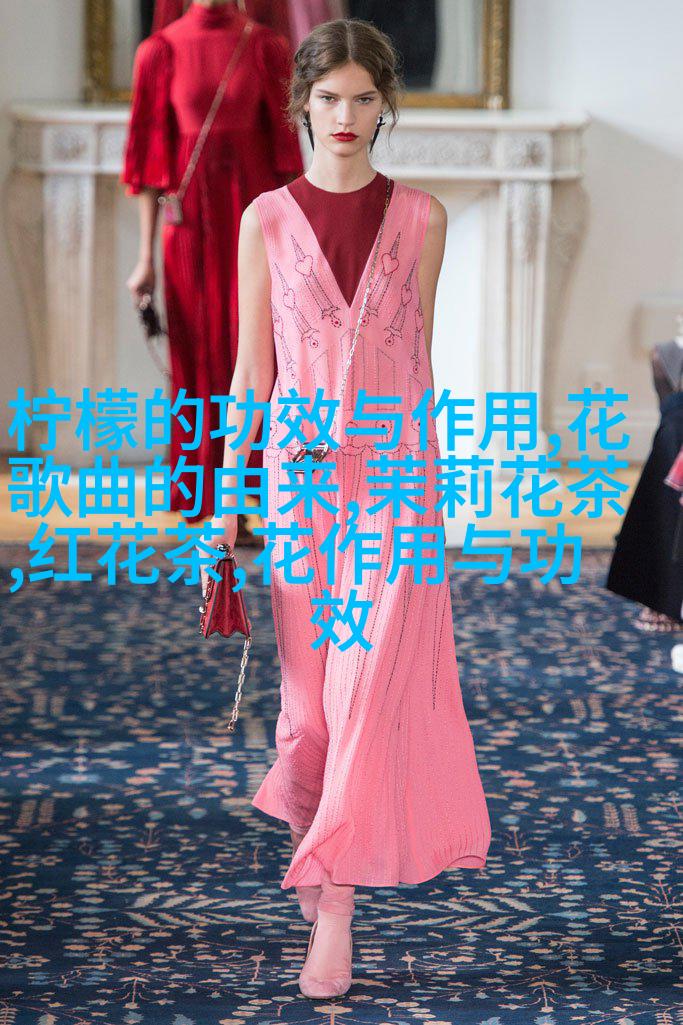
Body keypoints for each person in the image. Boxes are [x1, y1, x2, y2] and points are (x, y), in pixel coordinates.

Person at [203, 17, 492, 999]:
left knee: (366, 692)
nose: (345, 115)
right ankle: (312, 834)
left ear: (384, 107)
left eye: (364, 99)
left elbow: (415, 361)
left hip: (396, 483)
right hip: (297, 486)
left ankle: (335, 901)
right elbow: (250, 373)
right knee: (308, 711)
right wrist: (224, 500)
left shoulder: (423, 219)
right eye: (329, 97)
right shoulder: (265, 219)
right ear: (303, 103)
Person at [122, 0, 303, 523]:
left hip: (254, 222)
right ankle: (206, 499)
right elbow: (147, 164)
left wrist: (295, 247)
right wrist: (144, 258)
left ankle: (257, 495)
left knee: (256, 352)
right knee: (196, 356)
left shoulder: (267, 47)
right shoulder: (159, 52)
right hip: (189, 229)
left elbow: (288, 159)